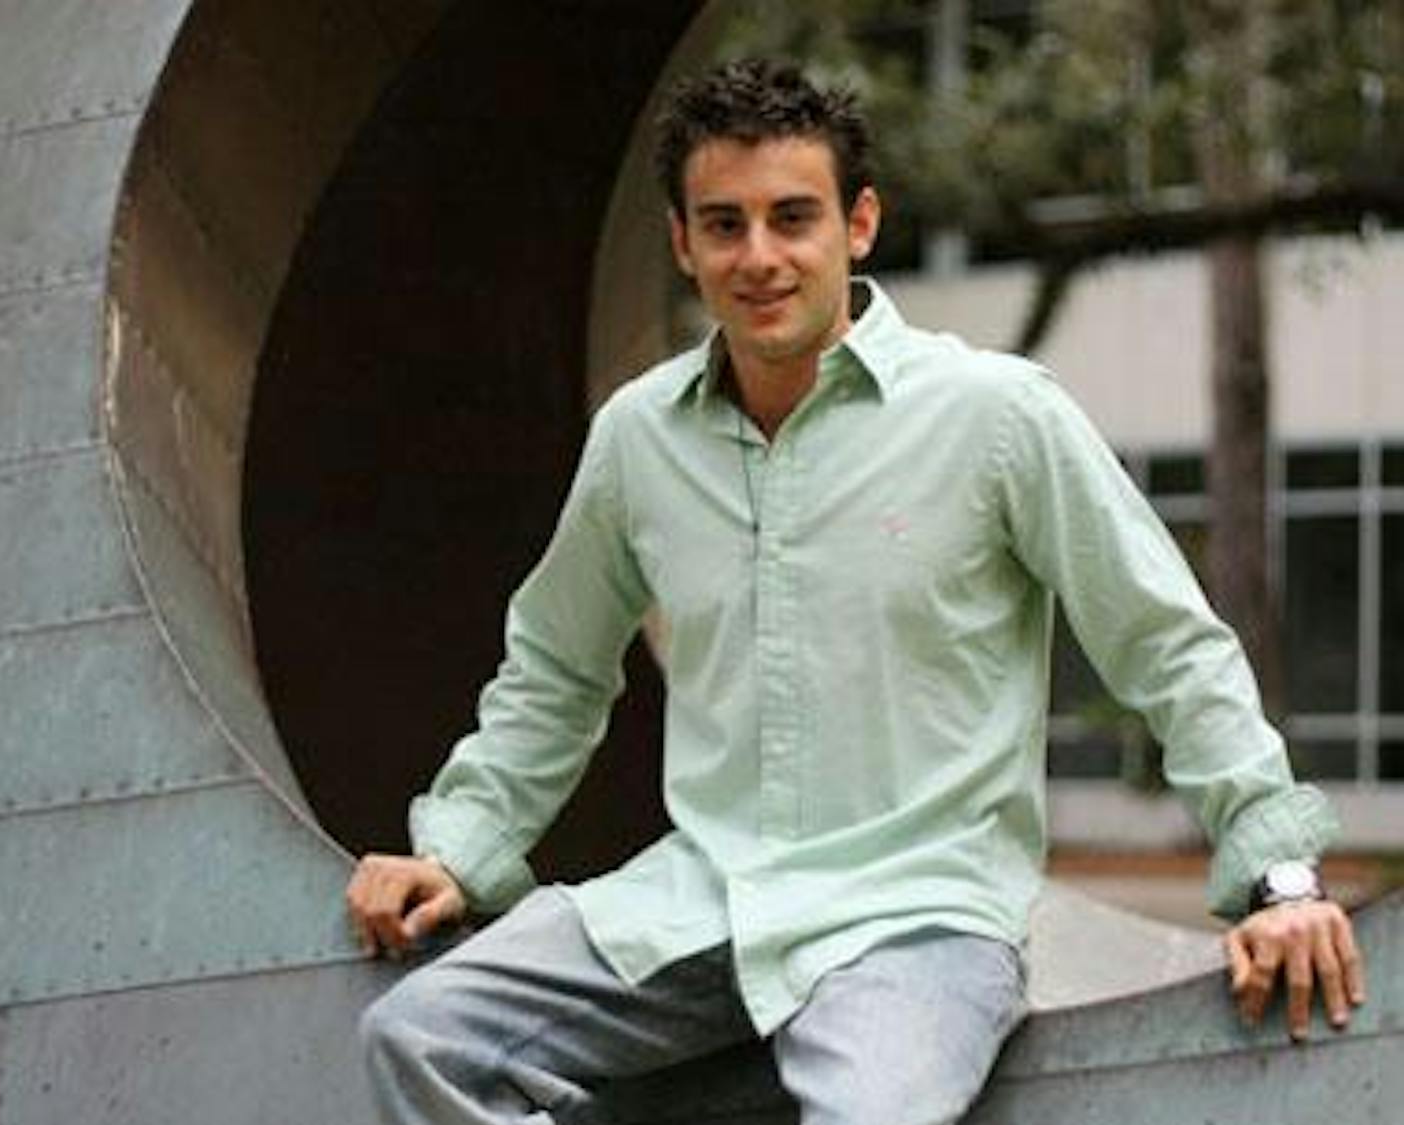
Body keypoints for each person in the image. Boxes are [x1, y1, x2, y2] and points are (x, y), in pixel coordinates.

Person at [349, 58, 1366, 1125]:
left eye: (793, 218)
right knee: (418, 1037)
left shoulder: (997, 415)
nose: (759, 257)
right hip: (700, 902)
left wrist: (1278, 877)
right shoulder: (638, 439)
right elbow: (555, 669)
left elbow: (1165, 643)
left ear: (860, 224)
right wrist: (459, 848)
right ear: (682, 242)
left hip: (919, 921)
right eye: (725, 224)